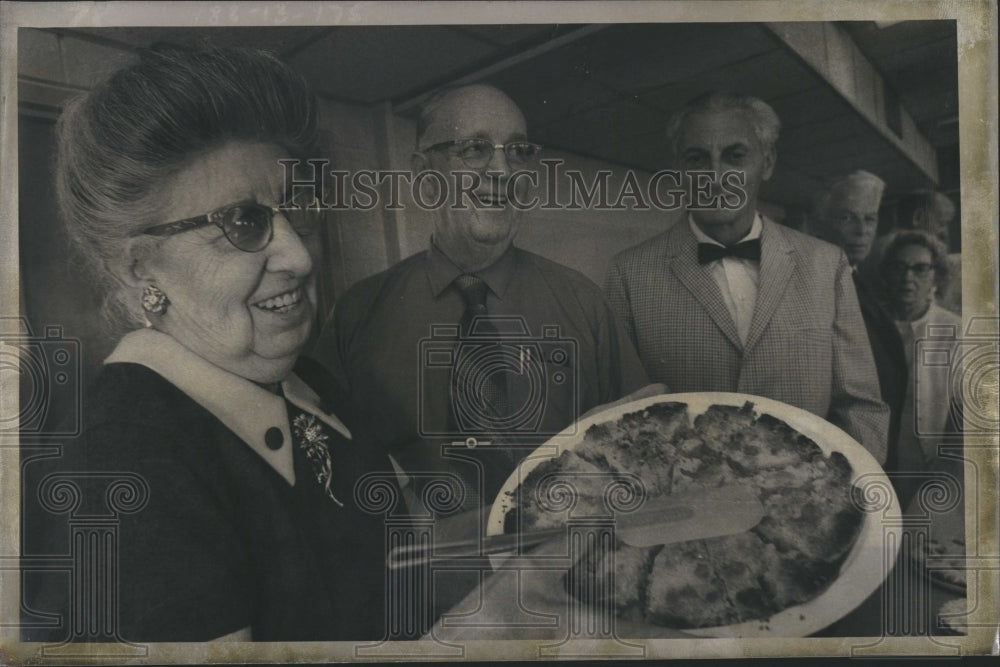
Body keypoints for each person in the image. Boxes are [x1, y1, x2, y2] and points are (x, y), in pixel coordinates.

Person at [25, 47, 394, 642]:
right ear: (141, 269)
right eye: (242, 224)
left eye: (297, 207)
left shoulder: (308, 384)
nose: (300, 257)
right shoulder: (124, 462)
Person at [311, 83, 651, 511]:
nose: (502, 171)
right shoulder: (358, 315)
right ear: (424, 174)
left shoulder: (584, 305)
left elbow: (641, 451)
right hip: (421, 573)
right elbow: (323, 470)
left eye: (518, 151)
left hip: (563, 565)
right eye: (474, 149)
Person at [605, 91, 889, 462]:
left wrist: (849, 493)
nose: (716, 177)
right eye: (697, 159)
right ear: (678, 170)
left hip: (807, 500)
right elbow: (620, 418)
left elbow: (861, 408)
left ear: (767, 163)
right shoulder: (629, 273)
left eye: (735, 156)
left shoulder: (825, 264)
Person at [808, 170, 908, 471]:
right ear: (822, 221)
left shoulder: (859, 277)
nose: (861, 231)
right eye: (847, 218)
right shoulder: (813, 282)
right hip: (839, 455)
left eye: (870, 219)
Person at [880, 231, 962, 505]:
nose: (908, 277)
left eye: (920, 268)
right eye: (899, 267)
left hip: (930, 453)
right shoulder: (873, 324)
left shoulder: (955, 329)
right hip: (881, 447)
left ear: (937, 277)